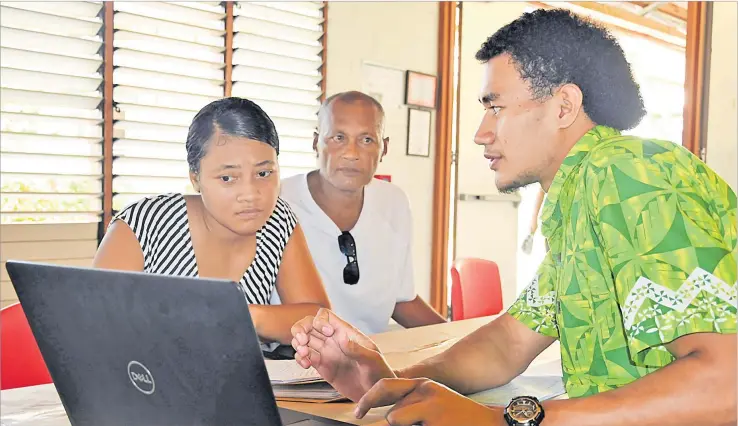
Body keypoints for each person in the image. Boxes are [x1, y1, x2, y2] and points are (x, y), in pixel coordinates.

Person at [289, 9, 737, 426]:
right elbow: (505, 345)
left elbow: (726, 385)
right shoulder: (576, 198)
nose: (482, 133)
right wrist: (392, 377)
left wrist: (506, 419)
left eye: (495, 106)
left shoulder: (629, 172)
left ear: (563, 106)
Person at [94, 97, 331, 345]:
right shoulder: (143, 224)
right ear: (195, 178)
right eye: (228, 178)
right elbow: (92, 325)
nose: (251, 194)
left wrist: (247, 316)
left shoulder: (278, 220)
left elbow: (320, 320)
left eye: (263, 173)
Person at [274, 91, 446, 335]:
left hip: (370, 357)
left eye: (366, 140)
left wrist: (457, 338)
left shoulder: (394, 202)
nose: (351, 153)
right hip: (294, 357)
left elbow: (401, 299)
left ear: (384, 148)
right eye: (338, 138)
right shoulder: (278, 199)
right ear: (316, 143)